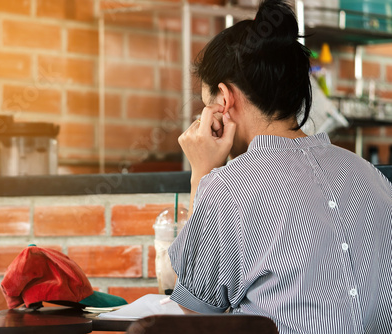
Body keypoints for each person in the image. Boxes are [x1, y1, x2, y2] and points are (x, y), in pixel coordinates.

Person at [168, 0, 392, 333]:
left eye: (207, 105)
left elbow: (196, 312)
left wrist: (203, 173)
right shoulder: (373, 178)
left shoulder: (229, 187)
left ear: (225, 100)